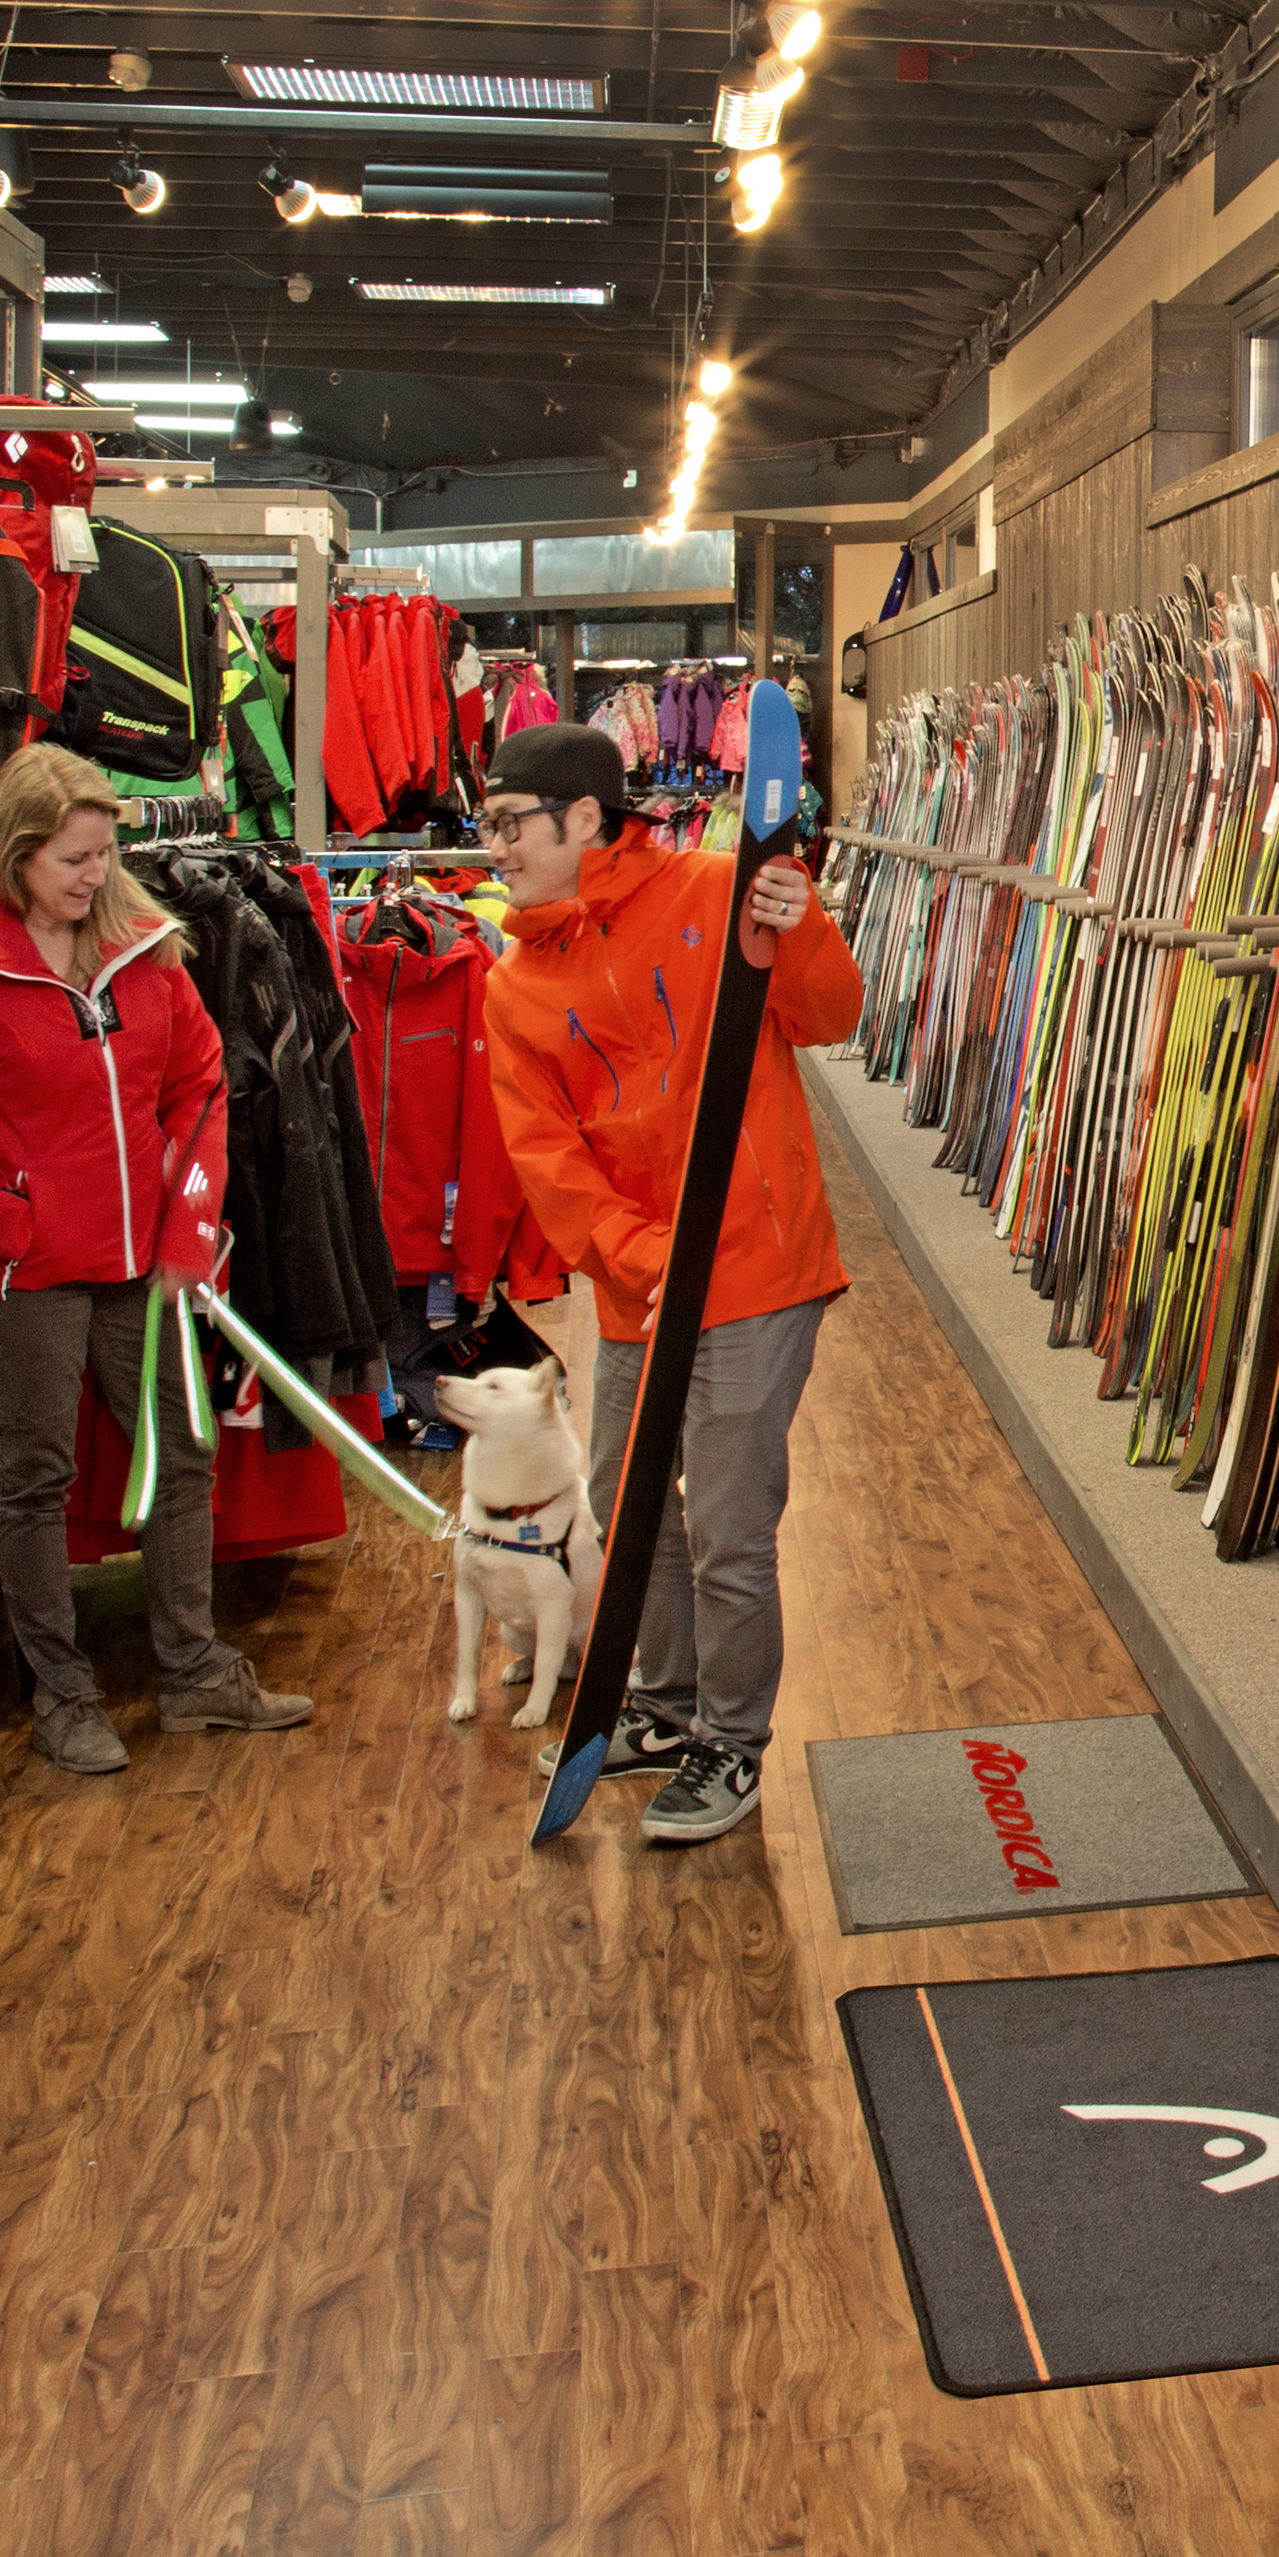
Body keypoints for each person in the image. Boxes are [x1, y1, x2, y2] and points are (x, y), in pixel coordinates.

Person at [0, 740, 315, 1773]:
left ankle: (196, 1672)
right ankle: (62, 1695)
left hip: (146, 1266)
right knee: (36, 1479)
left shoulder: (146, 949)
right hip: (24, 1277)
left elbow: (202, 1085)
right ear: (14, 853)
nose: (94, 875)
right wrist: (7, 1221)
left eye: (104, 854)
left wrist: (189, 1224)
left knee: (182, 1457)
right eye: (74, 858)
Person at [477, 718, 861, 1842]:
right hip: (642, 1282)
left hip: (759, 1261)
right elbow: (546, 1160)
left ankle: (731, 1746)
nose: (492, 845)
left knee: (730, 1526)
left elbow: (829, 1017)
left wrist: (799, 928)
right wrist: (647, 1264)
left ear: (585, 818)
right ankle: (664, 1700)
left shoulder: (713, 890)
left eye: (511, 824)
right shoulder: (515, 986)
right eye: (487, 823)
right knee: (627, 1500)